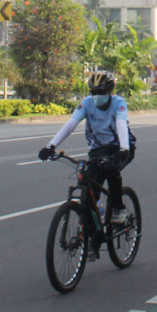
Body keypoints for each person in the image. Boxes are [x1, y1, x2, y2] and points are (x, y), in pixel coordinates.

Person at [39, 70, 132, 224]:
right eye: (93, 92)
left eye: (101, 92)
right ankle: (95, 224)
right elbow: (71, 124)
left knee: (110, 170)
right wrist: (50, 146)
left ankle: (118, 209)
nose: (97, 96)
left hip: (120, 146)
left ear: (109, 91)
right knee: (88, 185)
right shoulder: (87, 103)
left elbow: (121, 124)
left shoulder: (118, 103)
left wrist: (124, 148)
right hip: (99, 149)